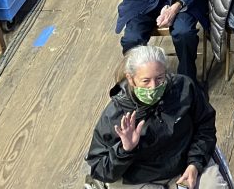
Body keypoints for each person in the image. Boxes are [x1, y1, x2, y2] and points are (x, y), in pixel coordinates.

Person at [85, 45, 221, 189]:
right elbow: (99, 167)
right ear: (131, 79)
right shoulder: (114, 115)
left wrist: (195, 163)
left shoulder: (185, 88)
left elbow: (205, 127)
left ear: (166, 72)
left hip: (187, 164)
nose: (153, 87)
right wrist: (125, 150)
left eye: (159, 78)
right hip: (141, 180)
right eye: (145, 81)